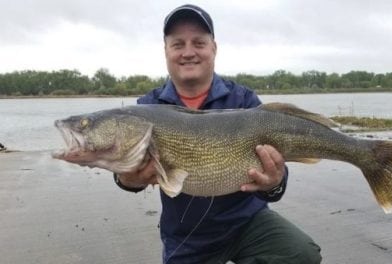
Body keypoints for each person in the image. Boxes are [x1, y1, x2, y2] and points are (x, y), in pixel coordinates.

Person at [114, 4, 322, 264]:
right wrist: (126, 180)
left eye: (199, 43)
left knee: (301, 253)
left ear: (214, 48)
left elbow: (275, 184)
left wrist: (275, 182)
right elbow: (125, 171)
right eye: (178, 44)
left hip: (247, 223)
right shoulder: (147, 108)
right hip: (187, 236)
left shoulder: (244, 100)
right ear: (166, 51)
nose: (188, 52)